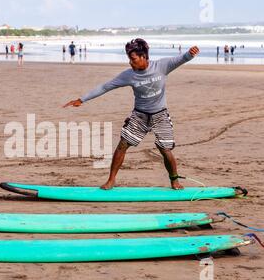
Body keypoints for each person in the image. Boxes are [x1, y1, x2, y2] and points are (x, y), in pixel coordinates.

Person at [63, 38, 200, 190]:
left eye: (133, 59)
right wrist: (82, 99)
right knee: (122, 145)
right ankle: (111, 180)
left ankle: (174, 180)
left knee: (164, 148)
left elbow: (182, 59)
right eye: (129, 59)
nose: (130, 62)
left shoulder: (161, 66)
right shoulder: (128, 75)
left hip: (160, 115)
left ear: (144, 57)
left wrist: (190, 53)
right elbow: (105, 87)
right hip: (139, 116)